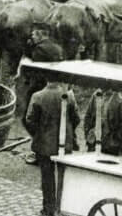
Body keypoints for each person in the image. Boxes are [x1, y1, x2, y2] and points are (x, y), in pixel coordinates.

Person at [25, 77, 79, 216]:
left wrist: (38, 134)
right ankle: (62, 208)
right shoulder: (70, 96)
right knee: (63, 177)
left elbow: (30, 121)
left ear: (46, 79)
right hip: (65, 145)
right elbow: (76, 119)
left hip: (44, 145)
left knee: (47, 179)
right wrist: (68, 132)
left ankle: (48, 209)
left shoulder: (38, 96)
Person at [83, 89, 122, 156]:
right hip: (94, 143)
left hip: (112, 148)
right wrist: (88, 134)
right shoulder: (95, 96)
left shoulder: (121, 102)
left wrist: (115, 139)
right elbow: (87, 116)